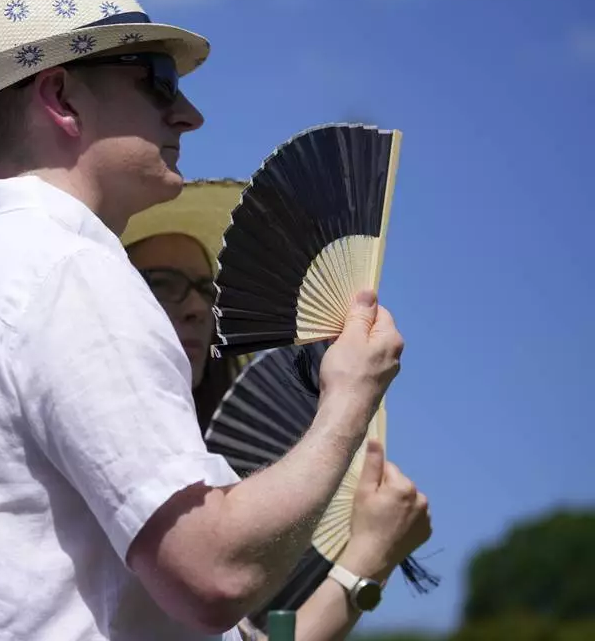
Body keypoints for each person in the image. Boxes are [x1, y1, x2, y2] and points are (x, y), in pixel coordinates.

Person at [0, 0, 405, 640]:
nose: (189, 114)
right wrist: (348, 397)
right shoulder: (68, 271)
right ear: (59, 98)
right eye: (159, 80)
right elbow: (213, 573)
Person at [122, 180, 433, 640]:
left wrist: (371, 556)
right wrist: (366, 558)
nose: (194, 306)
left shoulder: (206, 480)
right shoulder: (108, 452)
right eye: (163, 285)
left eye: (206, 290)